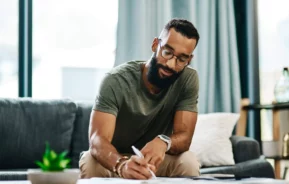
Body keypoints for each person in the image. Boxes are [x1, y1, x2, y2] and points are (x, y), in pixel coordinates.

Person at [79, 18, 200, 180]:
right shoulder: (115, 80)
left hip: (155, 161)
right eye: (167, 52)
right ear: (155, 45)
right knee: (90, 160)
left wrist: (164, 142)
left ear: (189, 60)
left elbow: (184, 137)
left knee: (188, 161)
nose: (171, 64)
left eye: (181, 59)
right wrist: (121, 165)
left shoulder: (188, 79)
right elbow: (97, 139)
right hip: (115, 158)